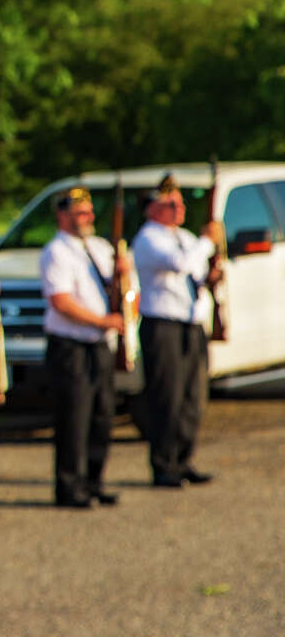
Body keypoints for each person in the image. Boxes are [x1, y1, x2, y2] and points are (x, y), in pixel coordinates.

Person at [39, 187, 131, 508]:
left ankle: (94, 481)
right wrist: (101, 321)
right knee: (73, 419)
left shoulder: (101, 247)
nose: (88, 218)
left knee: (102, 416)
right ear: (63, 216)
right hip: (71, 346)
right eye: (80, 213)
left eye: (90, 212)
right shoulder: (57, 251)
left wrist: (124, 275)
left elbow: (121, 290)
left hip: (98, 346)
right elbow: (61, 301)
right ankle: (69, 486)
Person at [132, 173, 220, 488]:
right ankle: (163, 462)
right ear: (152, 208)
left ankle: (183, 458)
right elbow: (180, 263)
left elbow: (196, 271)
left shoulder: (184, 237)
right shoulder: (149, 238)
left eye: (180, 203)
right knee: (166, 396)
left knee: (192, 397)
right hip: (163, 325)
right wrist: (208, 241)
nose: (178, 209)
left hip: (191, 323)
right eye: (170, 204)